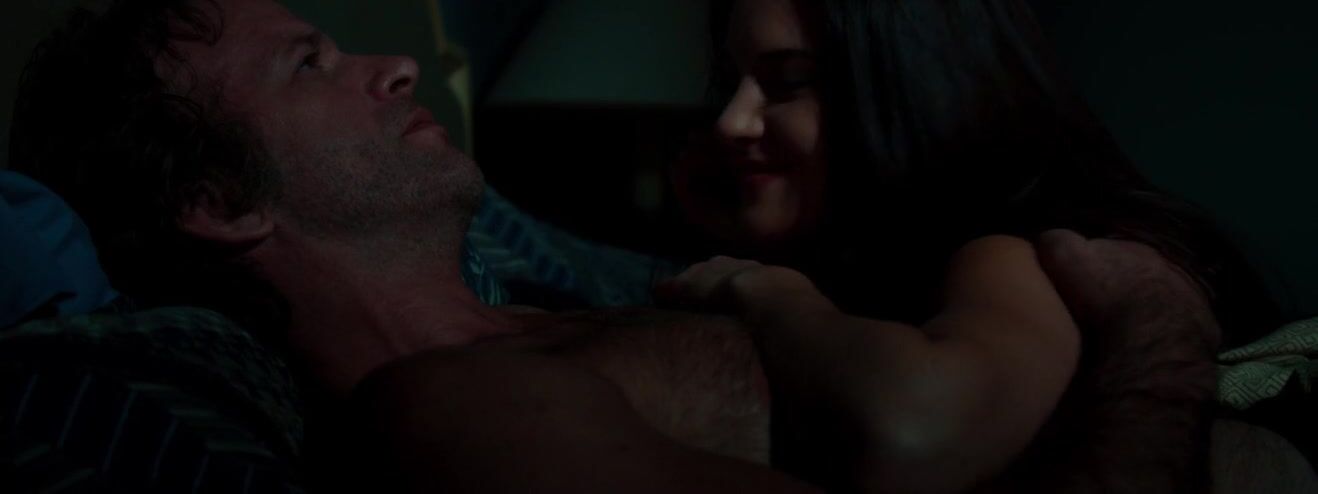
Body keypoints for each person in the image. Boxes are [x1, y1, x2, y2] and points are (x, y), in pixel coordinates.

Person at [5, 0, 1293, 492]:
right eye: (310, 64)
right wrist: (1159, 347)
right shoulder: (453, 410)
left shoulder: (595, 320)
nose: (394, 63)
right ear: (218, 201)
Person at [665, 0, 1287, 491]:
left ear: (910, 84)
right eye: (732, 83)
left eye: (790, 81)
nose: (731, 122)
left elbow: (917, 433)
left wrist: (764, 289)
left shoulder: (1012, 251)